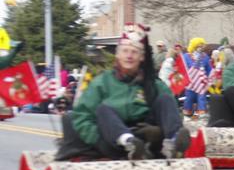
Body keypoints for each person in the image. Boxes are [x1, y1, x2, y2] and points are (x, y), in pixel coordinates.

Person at [57, 24, 190, 161]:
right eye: (125, 51)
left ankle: (174, 142)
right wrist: (98, 139)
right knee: (104, 109)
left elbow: (173, 112)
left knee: (165, 100)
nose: (129, 56)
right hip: (113, 140)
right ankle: (129, 143)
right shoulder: (101, 83)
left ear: (142, 57)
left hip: (147, 139)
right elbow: (81, 117)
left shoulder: (154, 84)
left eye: (134, 52)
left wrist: (158, 132)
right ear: (118, 55)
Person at [182, 37, 212, 117]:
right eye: (198, 46)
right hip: (190, 82)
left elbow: (209, 69)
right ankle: (187, 111)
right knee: (189, 97)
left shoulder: (205, 57)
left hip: (201, 82)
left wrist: (211, 77)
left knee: (201, 97)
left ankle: (201, 111)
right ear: (194, 46)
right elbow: (183, 68)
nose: (200, 48)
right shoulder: (186, 56)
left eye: (202, 46)